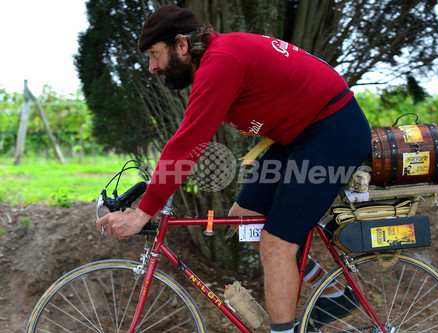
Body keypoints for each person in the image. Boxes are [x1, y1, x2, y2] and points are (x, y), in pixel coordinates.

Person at [96, 4, 372, 332]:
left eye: (155, 54)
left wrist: (144, 211)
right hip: (300, 136)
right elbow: (190, 141)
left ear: (181, 45)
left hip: (333, 133)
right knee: (244, 219)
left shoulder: (221, 62)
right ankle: (333, 293)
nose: (153, 67)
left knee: (276, 243)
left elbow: (188, 143)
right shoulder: (216, 58)